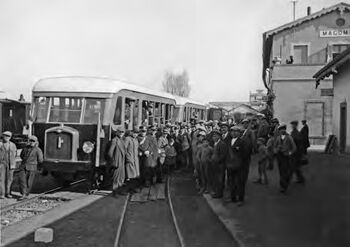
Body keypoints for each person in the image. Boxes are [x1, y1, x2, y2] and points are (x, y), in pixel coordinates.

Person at [18, 135, 43, 200]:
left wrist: (34, 163)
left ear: (36, 142)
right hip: (23, 166)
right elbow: (21, 155)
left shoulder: (38, 150)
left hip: (32, 167)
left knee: (29, 182)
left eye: (33, 141)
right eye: (30, 141)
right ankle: (23, 194)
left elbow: (40, 160)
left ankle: (26, 194)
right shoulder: (25, 148)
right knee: (22, 180)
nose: (31, 142)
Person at [226, 126, 246, 206]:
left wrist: (241, 163)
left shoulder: (242, 142)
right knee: (231, 182)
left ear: (239, 133)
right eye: (232, 131)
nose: (234, 133)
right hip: (230, 165)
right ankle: (233, 197)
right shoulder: (228, 141)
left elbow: (245, 154)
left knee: (239, 182)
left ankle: (240, 199)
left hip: (239, 165)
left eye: (236, 131)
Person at [273, 123, 296, 194]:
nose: (281, 131)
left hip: (286, 156)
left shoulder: (289, 137)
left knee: (285, 171)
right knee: (281, 170)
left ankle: (284, 186)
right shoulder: (278, 138)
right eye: (280, 130)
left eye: (283, 129)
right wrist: (276, 150)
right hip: (279, 155)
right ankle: (283, 184)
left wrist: (290, 153)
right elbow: (274, 146)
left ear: (285, 130)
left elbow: (294, 147)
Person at [108, 126, 126, 196]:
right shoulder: (114, 140)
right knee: (116, 178)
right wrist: (113, 161)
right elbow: (110, 153)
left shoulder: (122, 140)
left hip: (122, 161)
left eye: (123, 132)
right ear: (117, 132)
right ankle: (115, 192)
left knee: (121, 177)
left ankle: (120, 191)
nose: (121, 133)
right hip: (117, 161)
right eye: (120, 132)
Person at [211, 130, 228, 198]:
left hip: (220, 165)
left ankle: (219, 193)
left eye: (215, 136)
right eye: (213, 136)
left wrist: (217, 161)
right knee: (216, 179)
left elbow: (223, 155)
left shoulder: (222, 144)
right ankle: (217, 191)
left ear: (219, 136)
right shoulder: (215, 143)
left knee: (220, 179)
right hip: (215, 164)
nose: (213, 137)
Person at [0, 131, 17, 199]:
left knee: (10, 179)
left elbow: (15, 154)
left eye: (8, 136)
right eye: (5, 136)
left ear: (10, 137)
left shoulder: (13, 145)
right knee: (1, 179)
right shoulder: (0, 144)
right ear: (3, 136)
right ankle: (2, 194)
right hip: (2, 164)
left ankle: (8, 193)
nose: (7, 137)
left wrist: (12, 162)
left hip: (11, 164)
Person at [124, 129, 140, 193]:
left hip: (135, 160)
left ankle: (133, 188)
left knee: (135, 175)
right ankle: (130, 189)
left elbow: (137, 149)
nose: (135, 134)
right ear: (131, 132)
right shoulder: (127, 139)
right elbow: (124, 149)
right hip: (130, 159)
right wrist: (128, 158)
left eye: (136, 133)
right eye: (134, 133)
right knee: (130, 175)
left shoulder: (136, 140)